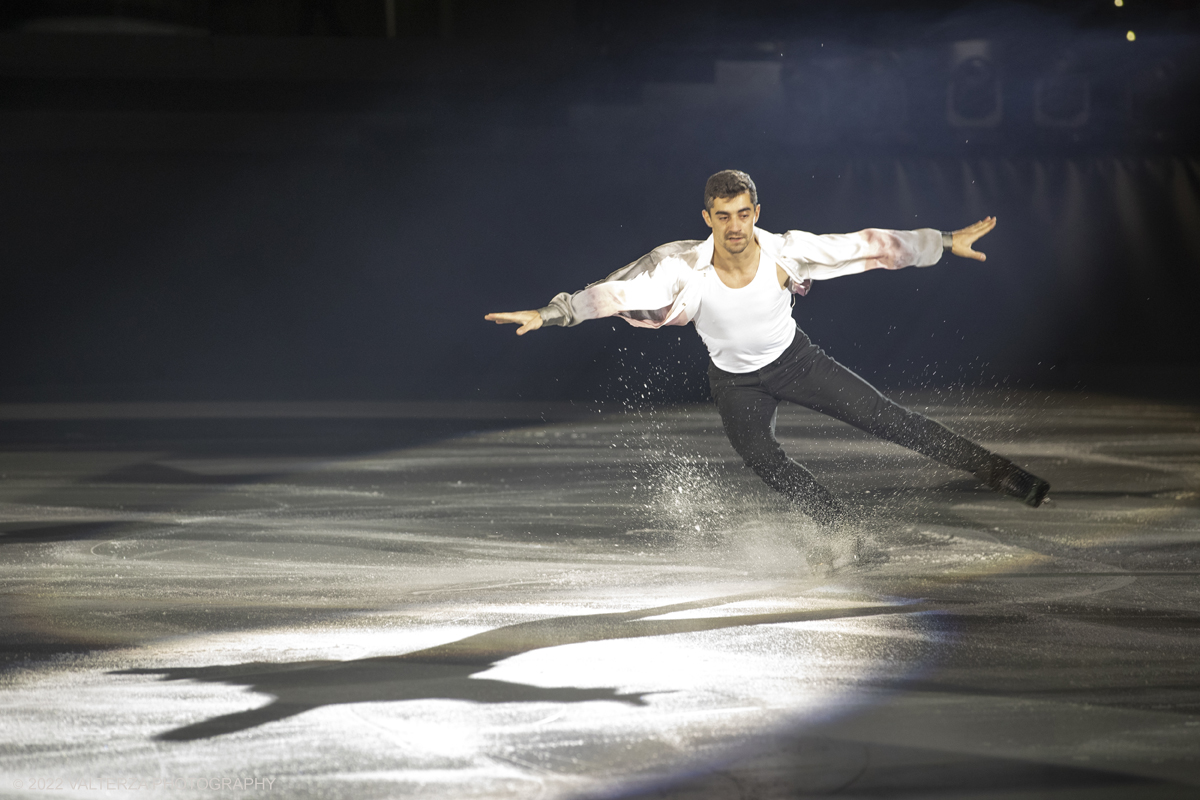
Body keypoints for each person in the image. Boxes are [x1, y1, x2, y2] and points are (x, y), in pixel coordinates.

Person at [485, 170, 1049, 527]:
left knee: (891, 421)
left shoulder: (785, 253)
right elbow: (618, 293)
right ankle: (838, 528)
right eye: (723, 216)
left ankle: (1003, 475)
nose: (735, 226)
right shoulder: (684, 271)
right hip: (734, 384)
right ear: (708, 219)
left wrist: (945, 242)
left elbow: (867, 246)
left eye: (744, 214)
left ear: (756, 212)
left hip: (798, 363)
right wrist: (553, 312)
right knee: (762, 459)